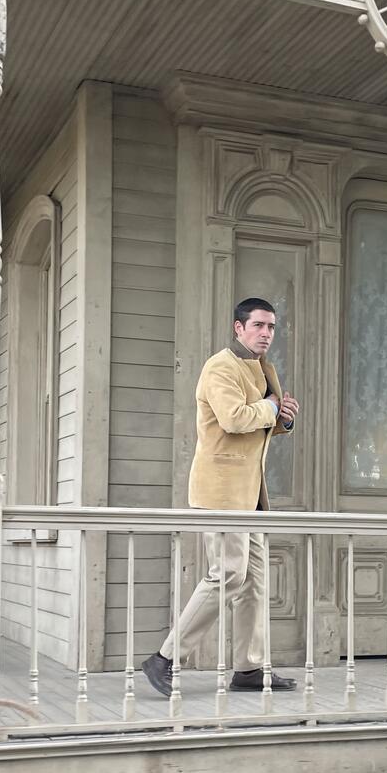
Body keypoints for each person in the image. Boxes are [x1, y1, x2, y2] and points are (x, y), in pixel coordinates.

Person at [141, 297, 301, 697]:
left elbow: (258, 423)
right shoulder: (220, 367)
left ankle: (249, 668)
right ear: (239, 328)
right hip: (221, 492)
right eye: (259, 325)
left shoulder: (265, 369)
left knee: (257, 583)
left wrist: (283, 420)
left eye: (271, 327)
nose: (266, 333)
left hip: (252, 494)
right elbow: (232, 419)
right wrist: (269, 408)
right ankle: (164, 658)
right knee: (229, 574)